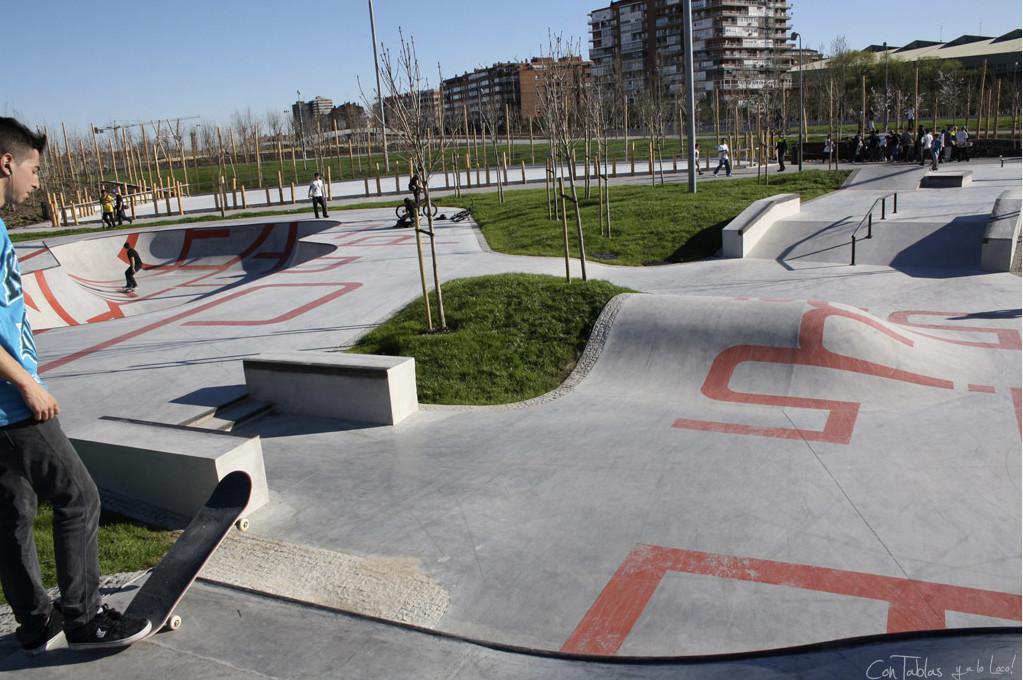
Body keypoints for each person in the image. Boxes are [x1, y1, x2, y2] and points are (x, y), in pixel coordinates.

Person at [0, 117, 152, 654]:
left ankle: (37, 623)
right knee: (80, 496)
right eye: (33, 169)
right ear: (6, 163)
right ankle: (85, 619)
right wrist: (27, 384)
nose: (37, 182)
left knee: (14, 511)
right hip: (10, 407)